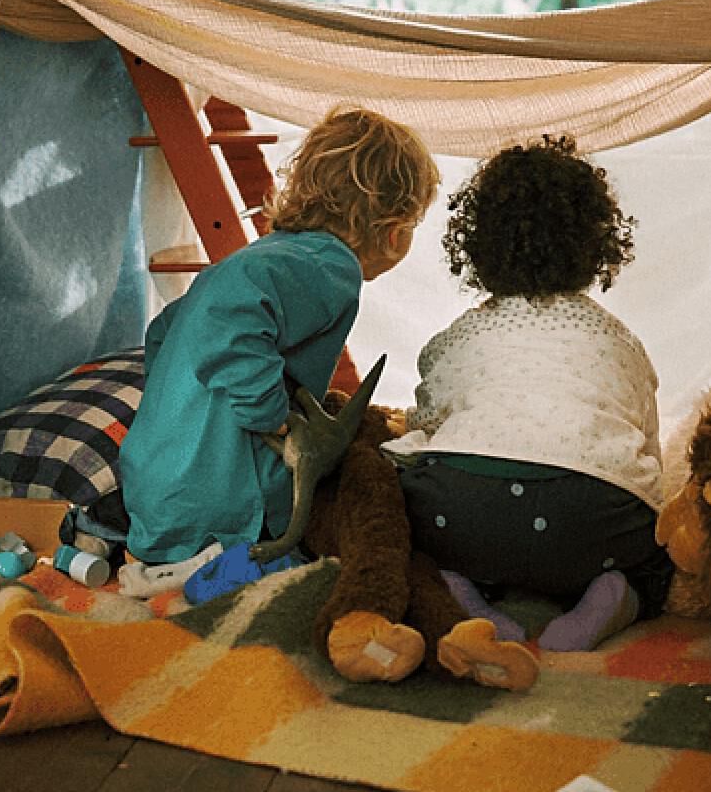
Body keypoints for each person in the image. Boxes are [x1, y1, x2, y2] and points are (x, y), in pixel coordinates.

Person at [118, 105, 441, 573]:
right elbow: (229, 320)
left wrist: (178, 410)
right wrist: (270, 414)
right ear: (394, 234)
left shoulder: (263, 256)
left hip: (154, 491)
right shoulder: (332, 267)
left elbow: (163, 331)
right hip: (217, 503)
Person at [381, 135, 673, 652]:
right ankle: (613, 595)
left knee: (408, 523)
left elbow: (425, 419)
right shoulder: (620, 341)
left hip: (465, 515)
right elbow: (645, 441)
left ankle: (461, 591)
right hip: (591, 520)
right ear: (598, 246)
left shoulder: (462, 337)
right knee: (655, 553)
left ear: (476, 247)